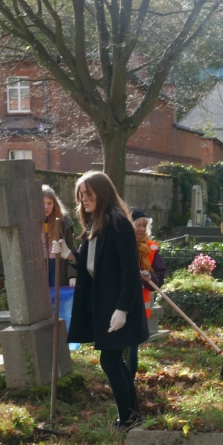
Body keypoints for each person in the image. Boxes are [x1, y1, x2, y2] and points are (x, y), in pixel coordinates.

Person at [52, 171, 149, 431]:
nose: (83, 199)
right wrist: (68, 255)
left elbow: (129, 271)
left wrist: (122, 310)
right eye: (80, 195)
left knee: (110, 361)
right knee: (115, 360)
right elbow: (93, 265)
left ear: (102, 193)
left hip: (118, 305)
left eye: (88, 194)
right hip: (104, 305)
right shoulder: (97, 223)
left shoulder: (118, 224)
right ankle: (132, 415)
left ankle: (127, 419)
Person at [125, 207, 167, 376]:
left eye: (144, 225)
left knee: (133, 347)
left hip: (139, 306)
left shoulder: (152, 249)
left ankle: (130, 380)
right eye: (138, 225)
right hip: (120, 303)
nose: (142, 229)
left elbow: (160, 276)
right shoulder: (122, 245)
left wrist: (150, 276)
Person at [42, 185, 76, 288]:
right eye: (43, 203)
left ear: (54, 204)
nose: (46, 207)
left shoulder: (63, 222)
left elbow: (71, 249)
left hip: (57, 265)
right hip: (39, 265)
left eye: (49, 203)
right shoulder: (30, 222)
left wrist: (72, 275)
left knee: (56, 298)